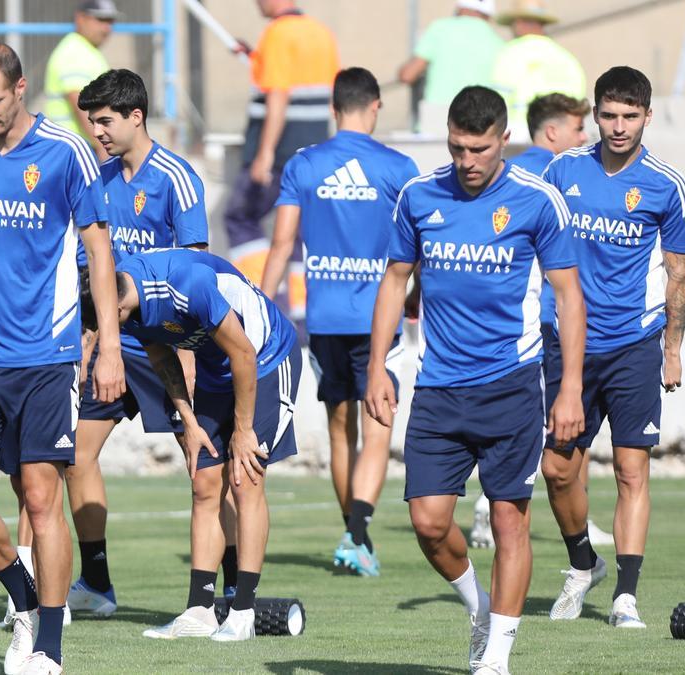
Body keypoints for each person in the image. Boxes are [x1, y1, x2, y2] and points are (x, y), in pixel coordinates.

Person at [365, 85, 586, 675]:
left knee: (510, 517)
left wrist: (568, 388)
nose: (467, 161)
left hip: (512, 384)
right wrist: (377, 364)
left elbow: (568, 296)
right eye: (458, 147)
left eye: (479, 149)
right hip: (437, 387)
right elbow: (394, 282)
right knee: (428, 521)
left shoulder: (538, 201)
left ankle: (497, 658)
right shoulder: (418, 196)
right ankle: (480, 610)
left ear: (504, 139)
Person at [0, 42, 125, 675]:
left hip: (47, 356)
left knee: (40, 499)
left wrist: (109, 347)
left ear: (20, 88)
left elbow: (99, 251)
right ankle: (25, 597)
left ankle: (49, 648)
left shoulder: (65, 153)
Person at [540, 66, 685, 629]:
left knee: (632, 472)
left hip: (635, 343)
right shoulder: (562, 171)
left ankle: (626, 596)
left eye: (630, 115)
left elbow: (679, 274)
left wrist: (672, 348)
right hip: (568, 343)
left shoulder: (669, 186)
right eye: (609, 114)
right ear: (595, 114)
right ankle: (584, 564)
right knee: (558, 470)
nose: (619, 126)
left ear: (647, 117)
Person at [84, 248, 301, 642]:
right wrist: (189, 422)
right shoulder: (124, 305)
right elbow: (162, 356)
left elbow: (245, 353)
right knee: (203, 484)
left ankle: (243, 612)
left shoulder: (188, 287)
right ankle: (199, 609)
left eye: (101, 325)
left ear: (113, 308)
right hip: (217, 373)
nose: (103, 335)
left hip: (267, 358)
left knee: (244, 478)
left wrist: (244, 429)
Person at [260, 67, 418, 576]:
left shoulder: (304, 165)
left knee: (339, 432)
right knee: (378, 429)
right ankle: (357, 536)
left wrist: (260, 307)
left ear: (333, 109)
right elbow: (419, 250)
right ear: (375, 106)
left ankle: (356, 537)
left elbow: (282, 244)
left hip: (324, 319)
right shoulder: (398, 167)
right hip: (378, 319)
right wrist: (416, 295)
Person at [64, 68, 210, 615]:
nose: (97, 131)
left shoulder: (177, 177)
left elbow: (196, 275)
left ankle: (226, 596)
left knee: (203, 467)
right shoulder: (97, 181)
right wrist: (89, 336)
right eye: (91, 121)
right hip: (116, 346)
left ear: (135, 117)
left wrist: (192, 355)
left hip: (171, 345)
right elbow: (89, 272)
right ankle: (97, 585)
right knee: (76, 458)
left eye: (105, 121)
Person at [468, 92, 613, 551]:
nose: (585, 136)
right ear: (552, 132)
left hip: (547, 317)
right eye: (577, 128)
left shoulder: (519, 173)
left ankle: (580, 518)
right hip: (546, 320)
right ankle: (485, 509)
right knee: (550, 427)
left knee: (572, 429)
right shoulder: (541, 175)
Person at [224, 0, 339, 325]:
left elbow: (279, 95)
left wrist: (264, 154)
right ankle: (302, 311)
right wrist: (254, 58)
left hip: (281, 151)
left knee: (240, 216)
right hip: (313, 148)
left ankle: (261, 295)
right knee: (303, 231)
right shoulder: (320, 33)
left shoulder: (277, 34)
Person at [490, 0, 587, 139]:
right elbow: (579, 103)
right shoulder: (567, 59)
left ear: (518, 22)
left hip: (518, 136)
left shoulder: (509, 53)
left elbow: (496, 101)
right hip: (564, 135)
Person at [43, 0, 119, 161]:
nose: (107, 28)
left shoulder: (85, 50)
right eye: (100, 20)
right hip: (74, 150)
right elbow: (81, 104)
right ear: (80, 18)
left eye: (110, 21)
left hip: (75, 148)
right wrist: (103, 147)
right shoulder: (75, 52)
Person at [398, 0, 503, 107]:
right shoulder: (499, 43)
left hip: (438, 113)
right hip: (477, 116)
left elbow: (407, 75)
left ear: (461, 7)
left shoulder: (439, 28)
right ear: (489, 14)